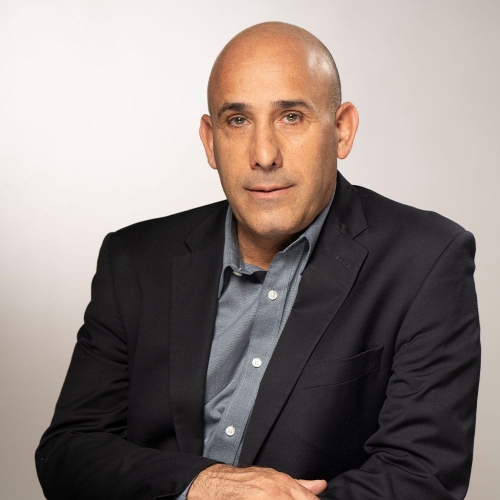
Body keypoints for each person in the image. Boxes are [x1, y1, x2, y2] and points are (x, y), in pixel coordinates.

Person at [35, 22, 480, 500]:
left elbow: (422, 476)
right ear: (210, 140)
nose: (264, 154)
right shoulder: (135, 260)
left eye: (291, 116)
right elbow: (69, 454)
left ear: (342, 130)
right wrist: (201, 484)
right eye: (237, 120)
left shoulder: (427, 260)